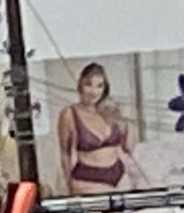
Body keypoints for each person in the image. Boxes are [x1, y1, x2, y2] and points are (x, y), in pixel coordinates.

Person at [56, 62, 146, 194]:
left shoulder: (111, 110)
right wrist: (70, 187)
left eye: (99, 86)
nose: (94, 92)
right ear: (80, 85)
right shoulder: (69, 113)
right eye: (88, 85)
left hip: (119, 177)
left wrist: (122, 120)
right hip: (88, 180)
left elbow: (127, 147)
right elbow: (65, 154)